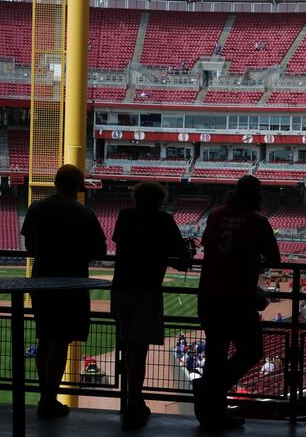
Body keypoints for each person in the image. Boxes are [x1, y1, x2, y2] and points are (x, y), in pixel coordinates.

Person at [21, 164, 107, 419]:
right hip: (72, 285)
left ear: (56, 183)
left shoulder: (37, 208)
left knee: (45, 339)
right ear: (78, 187)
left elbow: (30, 247)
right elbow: (99, 251)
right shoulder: (84, 213)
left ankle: (44, 397)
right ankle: (49, 399)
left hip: (41, 282)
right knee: (60, 343)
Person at [195, 175, 280, 430]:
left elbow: (210, 249)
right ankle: (211, 393)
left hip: (209, 296)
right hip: (237, 299)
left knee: (215, 354)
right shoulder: (257, 221)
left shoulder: (216, 214)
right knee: (252, 351)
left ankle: (213, 409)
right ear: (257, 196)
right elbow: (275, 259)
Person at [111, 182, 193, 430]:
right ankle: (133, 406)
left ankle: (133, 402)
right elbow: (183, 260)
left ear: (136, 198)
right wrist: (185, 250)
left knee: (128, 348)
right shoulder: (164, 221)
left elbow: (123, 244)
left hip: (121, 289)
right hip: (147, 291)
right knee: (139, 352)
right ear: (160, 200)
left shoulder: (125, 216)